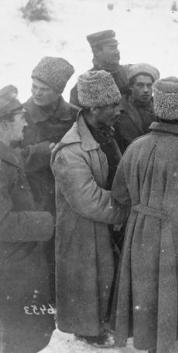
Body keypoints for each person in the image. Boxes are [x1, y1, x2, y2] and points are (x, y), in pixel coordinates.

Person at [112, 77, 178, 353]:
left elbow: (120, 195)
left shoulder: (135, 146)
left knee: (148, 289)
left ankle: (152, 344)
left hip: (139, 231)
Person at [52, 70, 127, 347]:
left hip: (102, 224)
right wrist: (125, 210)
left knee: (102, 276)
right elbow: (88, 200)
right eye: (112, 105)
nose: (118, 110)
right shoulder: (70, 151)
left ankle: (97, 324)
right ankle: (88, 330)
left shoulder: (104, 133)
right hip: (82, 230)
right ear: (94, 108)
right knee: (86, 281)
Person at [0, 91, 55, 353]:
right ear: (3, 123)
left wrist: (43, 151)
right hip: (12, 270)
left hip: (17, 266)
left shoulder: (6, 154)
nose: (25, 124)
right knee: (21, 338)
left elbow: (18, 157)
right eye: (20, 119)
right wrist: (45, 221)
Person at [20, 56, 77, 303]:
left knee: (64, 246)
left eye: (44, 89)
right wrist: (42, 152)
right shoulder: (20, 115)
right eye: (34, 87)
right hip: (32, 194)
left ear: (59, 91)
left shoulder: (74, 116)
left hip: (65, 192)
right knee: (37, 248)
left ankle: (61, 298)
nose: (36, 93)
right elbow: (9, 157)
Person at [70, 30, 129, 105]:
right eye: (112, 48)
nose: (117, 52)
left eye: (116, 47)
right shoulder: (85, 84)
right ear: (96, 51)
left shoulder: (129, 73)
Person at [114, 63, 159, 152]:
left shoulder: (160, 110)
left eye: (149, 85)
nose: (146, 90)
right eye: (140, 85)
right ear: (131, 86)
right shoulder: (118, 111)